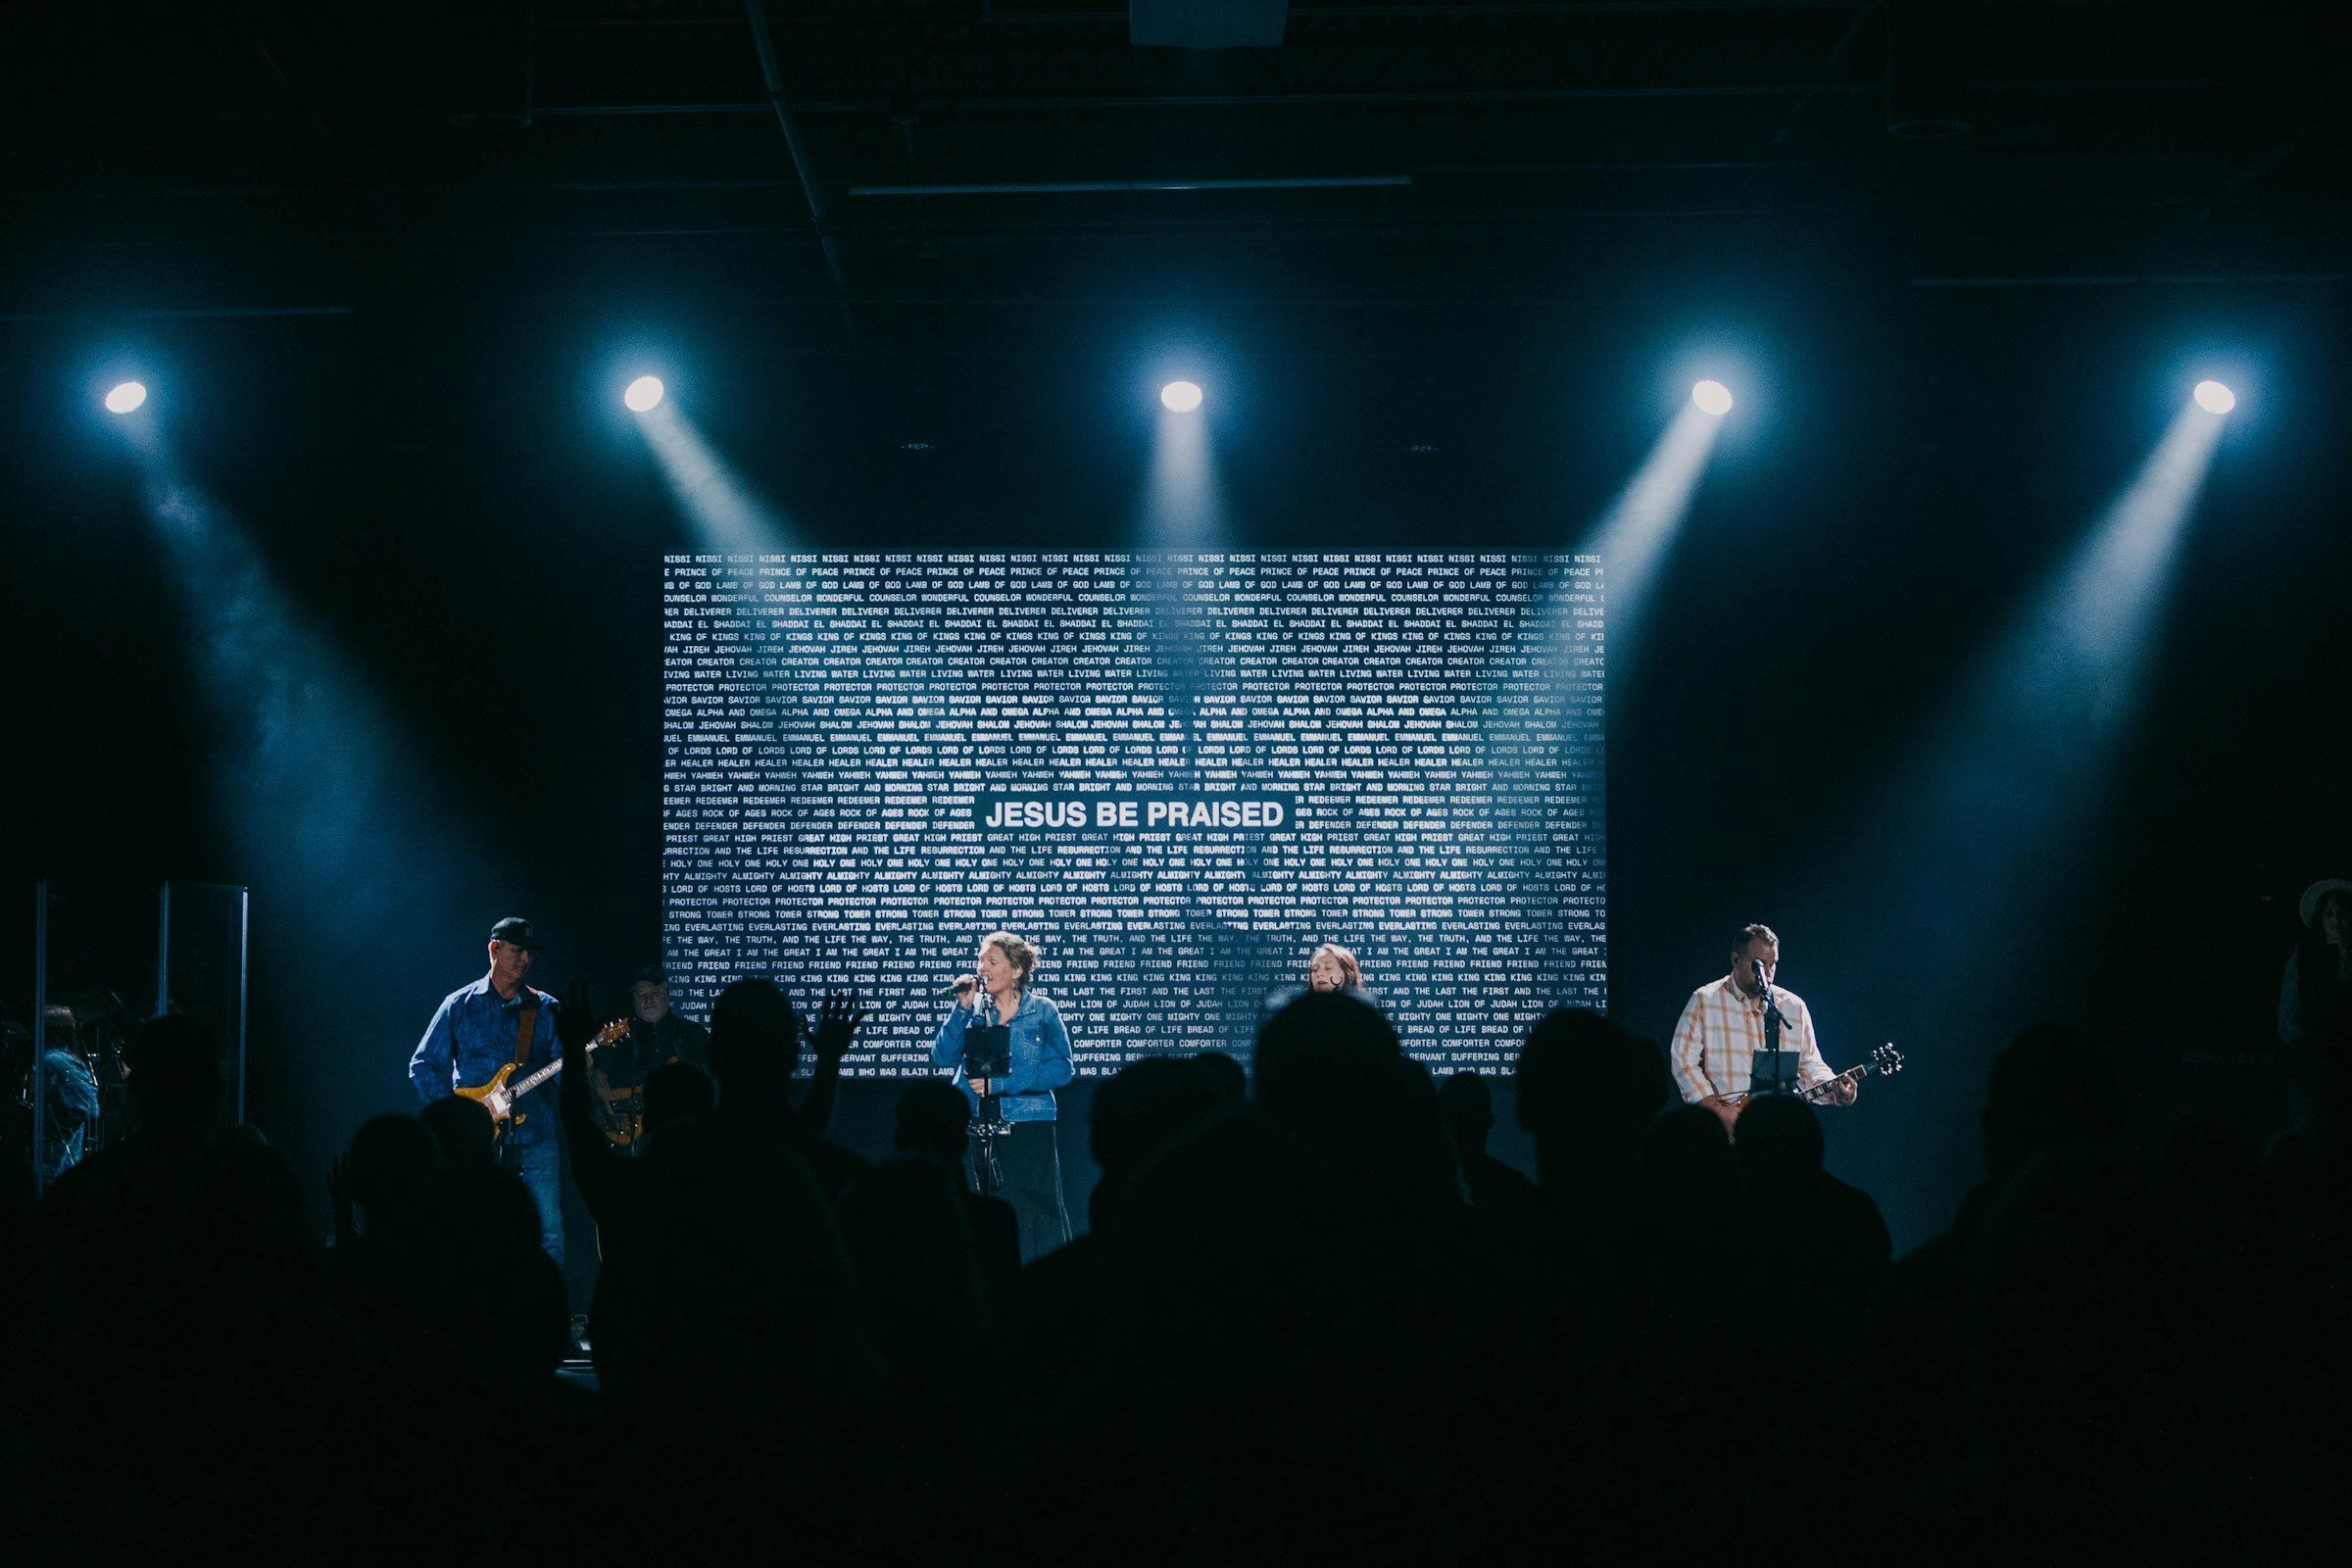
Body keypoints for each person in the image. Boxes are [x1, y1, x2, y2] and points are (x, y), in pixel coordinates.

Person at [406, 917, 567, 1265]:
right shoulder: (459, 1005)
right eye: (517, 950)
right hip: (475, 1144)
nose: (525, 959)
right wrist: (456, 1116)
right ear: (495, 949)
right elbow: (422, 1065)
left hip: (536, 1137)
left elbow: (561, 1075)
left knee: (548, 1233)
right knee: (470, 1231)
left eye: (530, 953)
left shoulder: (546, 1008)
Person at [932, 930, 1074, 1260]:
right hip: (974, 1122)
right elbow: (942, 1057)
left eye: (992, 961)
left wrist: (1002, 1085)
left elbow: (1061, 1069)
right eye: (980, 960)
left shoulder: (1042, 1011)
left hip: (1027, 1123)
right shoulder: (972, 1009)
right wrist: (961, 1010)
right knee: (978, 1209)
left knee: (1029, 1208)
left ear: (1016, 970)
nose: (982, 967)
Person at [1670, 923, 1853, 1135]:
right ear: (1736, 959)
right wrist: (1716, 1110)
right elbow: (1683, 1061)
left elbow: (1809, 1064)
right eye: (1759, 964)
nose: (1766, 973)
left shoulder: (1793, 1006)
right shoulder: (1705, 1000)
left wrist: (1834, 1089)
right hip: (1723, 1133)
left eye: (1772, 964)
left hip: (1778, 1133)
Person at [589, 964, 712, 1148]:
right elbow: (598, 1076)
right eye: (641, 995)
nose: (648, 1000)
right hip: (633, 1138)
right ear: (633, 999)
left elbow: (710, 1082)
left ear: (666, 993)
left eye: (654, 992)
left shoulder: (692, 1033)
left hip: (678, 1133)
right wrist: (614, 1111)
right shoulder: (616, 1033)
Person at [2278, 878, 2350, 1128]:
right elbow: (2287, 1019)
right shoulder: (2303, 957)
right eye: (2329, 913)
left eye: (2343, 914)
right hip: (2315, 1067)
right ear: (2320, 918)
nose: (2336, 921)